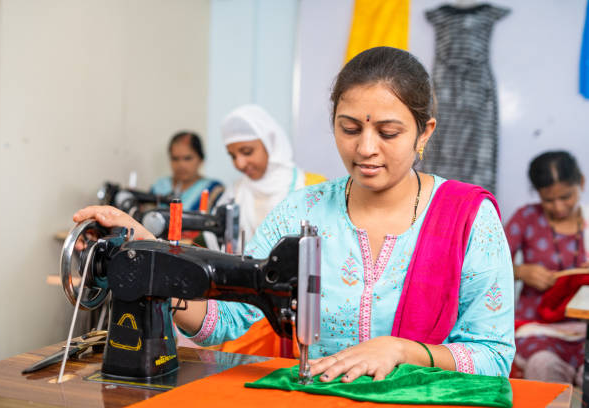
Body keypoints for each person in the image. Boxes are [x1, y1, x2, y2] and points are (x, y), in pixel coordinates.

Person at [73, 46, 515, 380]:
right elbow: (227, 319)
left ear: (424, 133)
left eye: (388, 132)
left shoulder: (468, 219)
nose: (365, 148)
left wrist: (403, 350)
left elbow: (494, 356)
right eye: (349, 129)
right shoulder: (302, 209)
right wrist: (149, 256)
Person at [505, 151, 588, 384]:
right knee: (543, 364)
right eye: (549, 200)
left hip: (584, 326)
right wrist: (520, 271)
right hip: (538, 327)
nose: (559, 206)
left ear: (580, 183)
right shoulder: (526, 218)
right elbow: (489, 263)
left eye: (566, 196)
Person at [219, 104, 326, 241]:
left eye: (247, 152)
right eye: (232, 156)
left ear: (271, 143)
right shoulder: (236, 192)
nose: (239, 164)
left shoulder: (314, 187)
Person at [151, 131, 224, 212]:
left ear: (201, 159)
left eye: (187, 158)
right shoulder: (159, 187)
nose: (181, 165)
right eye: (175, 158)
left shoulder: (213, 190)